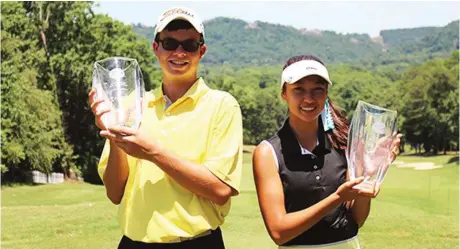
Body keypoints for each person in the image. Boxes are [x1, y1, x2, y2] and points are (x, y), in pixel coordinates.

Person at [88, 6, 243, 249]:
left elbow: (220, 189)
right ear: (156, 48)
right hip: (133, 243)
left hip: (197, 243)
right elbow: (115, 193)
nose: (179, 52)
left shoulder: (222, 106)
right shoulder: (133, 105)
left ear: (201, 51)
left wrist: (153, 152)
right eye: (170, 43)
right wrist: (113, 136)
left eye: (189, 45)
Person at [252, 55, 402, 249]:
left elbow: (356, 220)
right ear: (283, 93)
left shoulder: (341, 142)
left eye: (318, 89)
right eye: (298, 89)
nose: (309, 98)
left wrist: (367, 176)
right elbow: (279, 232)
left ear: (326, 93)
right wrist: (337, 198)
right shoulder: (268, 152)